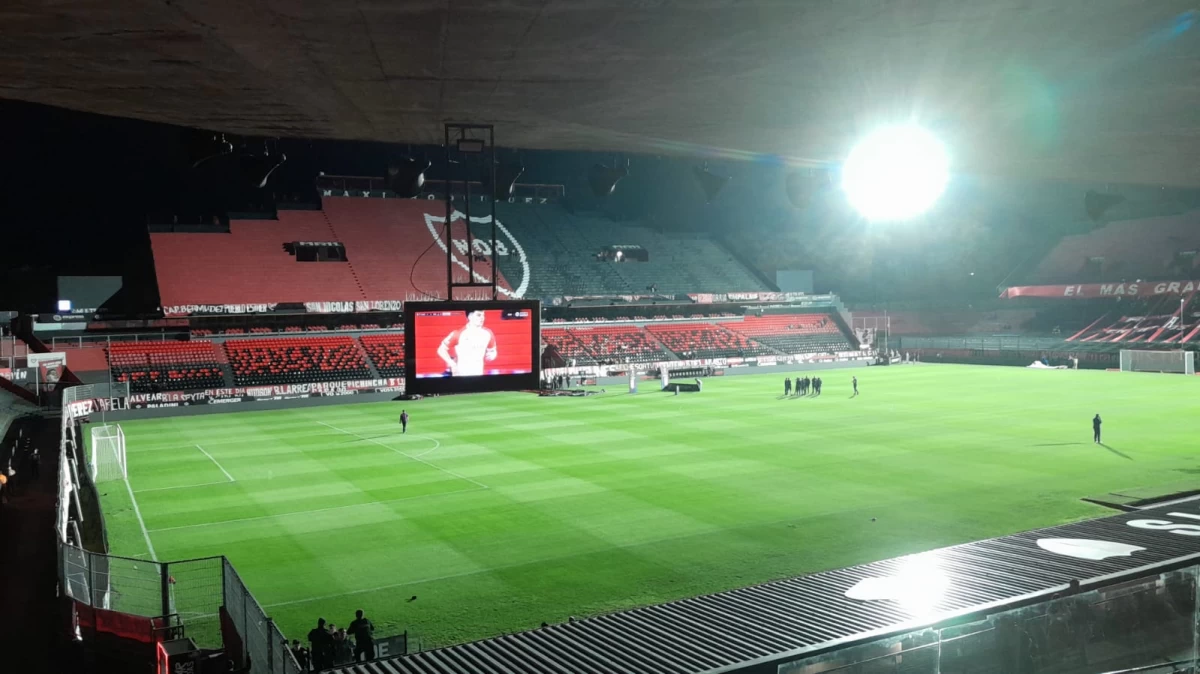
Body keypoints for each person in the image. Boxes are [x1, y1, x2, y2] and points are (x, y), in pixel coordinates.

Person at [437, 309, 498, 376]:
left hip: (479, 374)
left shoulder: (488, 333)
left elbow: (492, 350)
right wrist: (452, 364)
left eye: (483, 315)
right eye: (478, 315)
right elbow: (441, 349)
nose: (482, 318)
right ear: (470, 317)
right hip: (461, 375)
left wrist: (493, 355)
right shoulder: (458, 334)